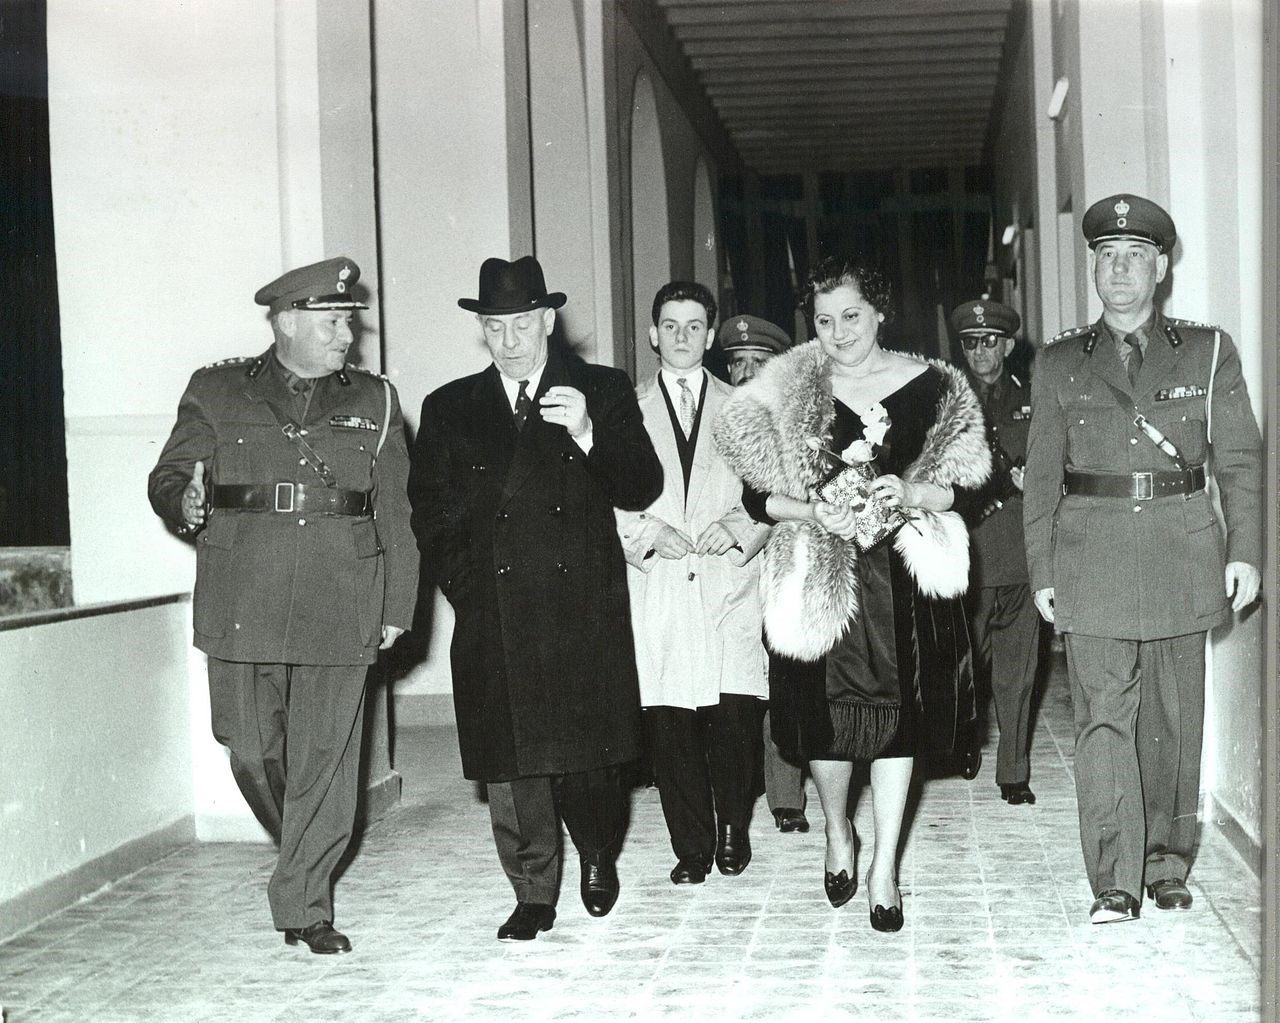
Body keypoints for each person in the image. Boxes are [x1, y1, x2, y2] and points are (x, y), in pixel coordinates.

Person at [148, 256, 418, 955]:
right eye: (333, 323)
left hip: (341, 591)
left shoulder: (377, 401)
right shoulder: (216, 390)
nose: (348, 337)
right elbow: (169, 473)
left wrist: (397, 602)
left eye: (349, 323)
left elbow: (397, 512)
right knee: (247, 746)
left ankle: (303, 902)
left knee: (326, 756)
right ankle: (304, 848)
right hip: (245, 591)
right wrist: (183, 499)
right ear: (287, 321)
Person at [715, 256, 990, 932]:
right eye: (824, 321)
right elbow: (756, 497)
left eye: (851, 316)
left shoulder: (934, 386)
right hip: (819, 577)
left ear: (880, 312)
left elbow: (968, 488)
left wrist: (913, 491)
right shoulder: (790, 387)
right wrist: (813, 512)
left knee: (902, 724)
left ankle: (885, 866)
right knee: (825, 724)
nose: (838, 333)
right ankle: (839, 830)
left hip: (906, 580)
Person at [408, 255, 663, 942]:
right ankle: (532, 889)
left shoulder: (601, 388)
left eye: (522, 323)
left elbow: (640, 483)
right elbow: (430, 512)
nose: (510, 340)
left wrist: (588, 433)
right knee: (511, 760)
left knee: (590, 757)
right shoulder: (449, 407)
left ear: (548, 320)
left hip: (581, 605)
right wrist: (468, 588)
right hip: (495, 606)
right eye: (495, 327)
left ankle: (598, 851)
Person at [1023, 194, 1262, 924]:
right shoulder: (1059, 361)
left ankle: (1165, 861)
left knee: (1172, 718)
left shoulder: (1207, 351)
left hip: (1180, 551)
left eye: (1135, 256)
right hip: (1090, 556)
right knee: (1102, 719)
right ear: (1093, 268)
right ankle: (1114, 880)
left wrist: (1246, 551)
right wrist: (1042, 570)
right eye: (1107, 255)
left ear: (1160, 269)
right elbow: (1042, 477)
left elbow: (1241, 461)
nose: (1120, 269)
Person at [617, 283, 771, 885]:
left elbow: (773, 490)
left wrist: (738, 527)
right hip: (659, 583)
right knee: (670, 719)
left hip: (727, 578)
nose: (682, 337)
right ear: (653, 334)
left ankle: (733, 827)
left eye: (694, 326)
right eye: (670, 326)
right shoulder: (624, 409)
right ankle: (691, 846)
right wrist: (646, 531)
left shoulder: (745, 408)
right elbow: (603, 494)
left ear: (710, 337)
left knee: (734, 714)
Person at [721, 313, 809, 833]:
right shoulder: (714, 417)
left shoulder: (795, 424)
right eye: (739, 362)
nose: (748, 372)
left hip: (776, 563)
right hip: (719, 571)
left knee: (781, 681)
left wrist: (745, 534)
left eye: (759, 362)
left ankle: (785, 796)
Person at [951, 299, 1040, 806]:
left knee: (1018, 672)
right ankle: (966, 736)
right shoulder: (949, 402)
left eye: (989, 341)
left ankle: (1014, 771)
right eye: (971, 343)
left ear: (1006, 346)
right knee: (966, 664)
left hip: (1021, 553)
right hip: (969, 554)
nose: (981, 351)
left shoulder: (1034, 397)